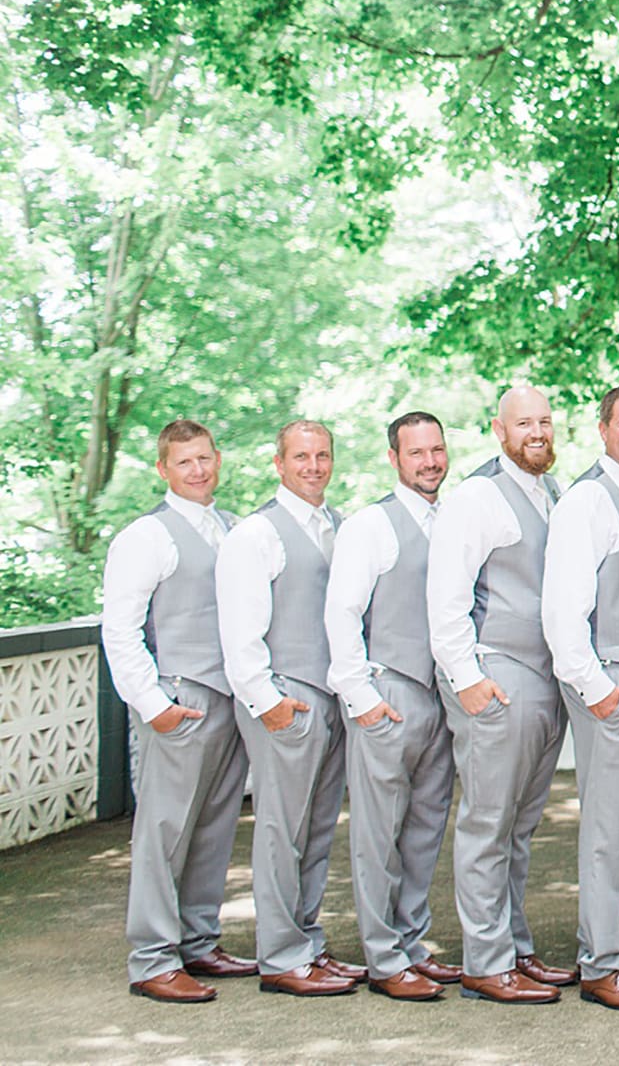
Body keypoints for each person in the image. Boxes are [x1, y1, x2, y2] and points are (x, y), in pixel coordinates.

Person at [428, 385, 573, 1005]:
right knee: (488, 823)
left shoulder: (553, 493)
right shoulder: (477, 496)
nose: (536, 432)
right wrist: (469, 680)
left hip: (544, 681)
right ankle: (485, 963)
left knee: (520, 825)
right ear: (498, 429)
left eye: (544, 421)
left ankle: (514, 946)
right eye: (523, 423)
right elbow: (446, 597)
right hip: (497, 679)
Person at [102, 420, 255, 1003]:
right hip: (179, 699)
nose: (197, 470)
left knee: (214, 827)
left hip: (230, 699)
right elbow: (120, 630)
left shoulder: (235, 528)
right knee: (164, 832)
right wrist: (154, 705)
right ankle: (152, 959)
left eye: (205, 458)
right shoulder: (146, 536)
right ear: (163, 469)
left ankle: (197, 941)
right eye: (184, 461)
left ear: (219, 460)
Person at [214, 420, 361, 996]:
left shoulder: (341, 526)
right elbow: (240, 633)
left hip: (330, 698)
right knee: (282, 830)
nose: (313, 466)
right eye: (301, 456)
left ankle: (307, 942)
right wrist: (270, 704)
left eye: (322, 455)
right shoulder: (256, 534)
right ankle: (279, 956)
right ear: (279, 464)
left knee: (318, 828)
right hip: (286, 700)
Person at [322, 410, 461, 1001]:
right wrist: (363, 699)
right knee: (378, 834)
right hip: (390, 693)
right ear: (394, 458)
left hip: (440, 698)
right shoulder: (370, 525)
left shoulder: (453, 519)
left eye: (436, 450)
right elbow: (342, 613)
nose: (429, 462)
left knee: (426, 828)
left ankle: (412, 943)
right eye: (416, 452)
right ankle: (383, 958)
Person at [540, 385, 619, 1011]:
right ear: (603, 429)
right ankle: (601, 963)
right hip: (610, 680)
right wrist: (597, 690)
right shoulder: (587, 499)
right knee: (607, 828)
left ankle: (617, 941)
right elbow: (563, 608)